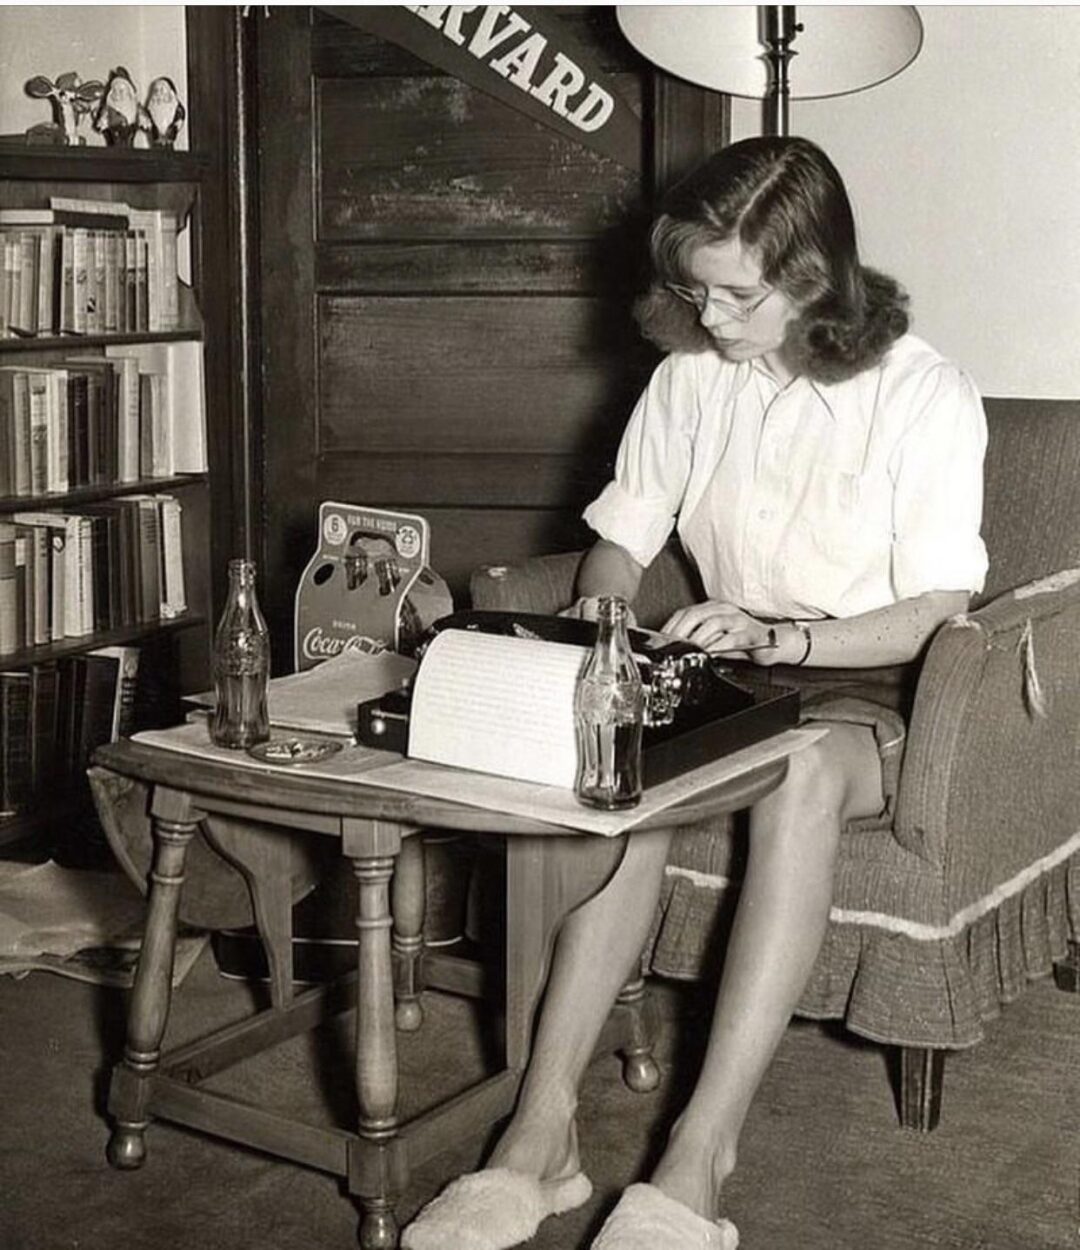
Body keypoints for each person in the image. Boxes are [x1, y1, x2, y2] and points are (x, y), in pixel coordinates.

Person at [402, 135, 988, 1250]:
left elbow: (938, 604)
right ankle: (540, 1135)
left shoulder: (923, 393)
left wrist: (787, 632)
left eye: (735, 293)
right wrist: (607, 619)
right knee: (631, 786)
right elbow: (622, 539)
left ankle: (697, 1153)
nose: (708, 315)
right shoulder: (688, 382)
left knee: (801, 774)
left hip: (873, 678)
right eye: (693, 287)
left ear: (814, 276)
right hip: (726, 667)